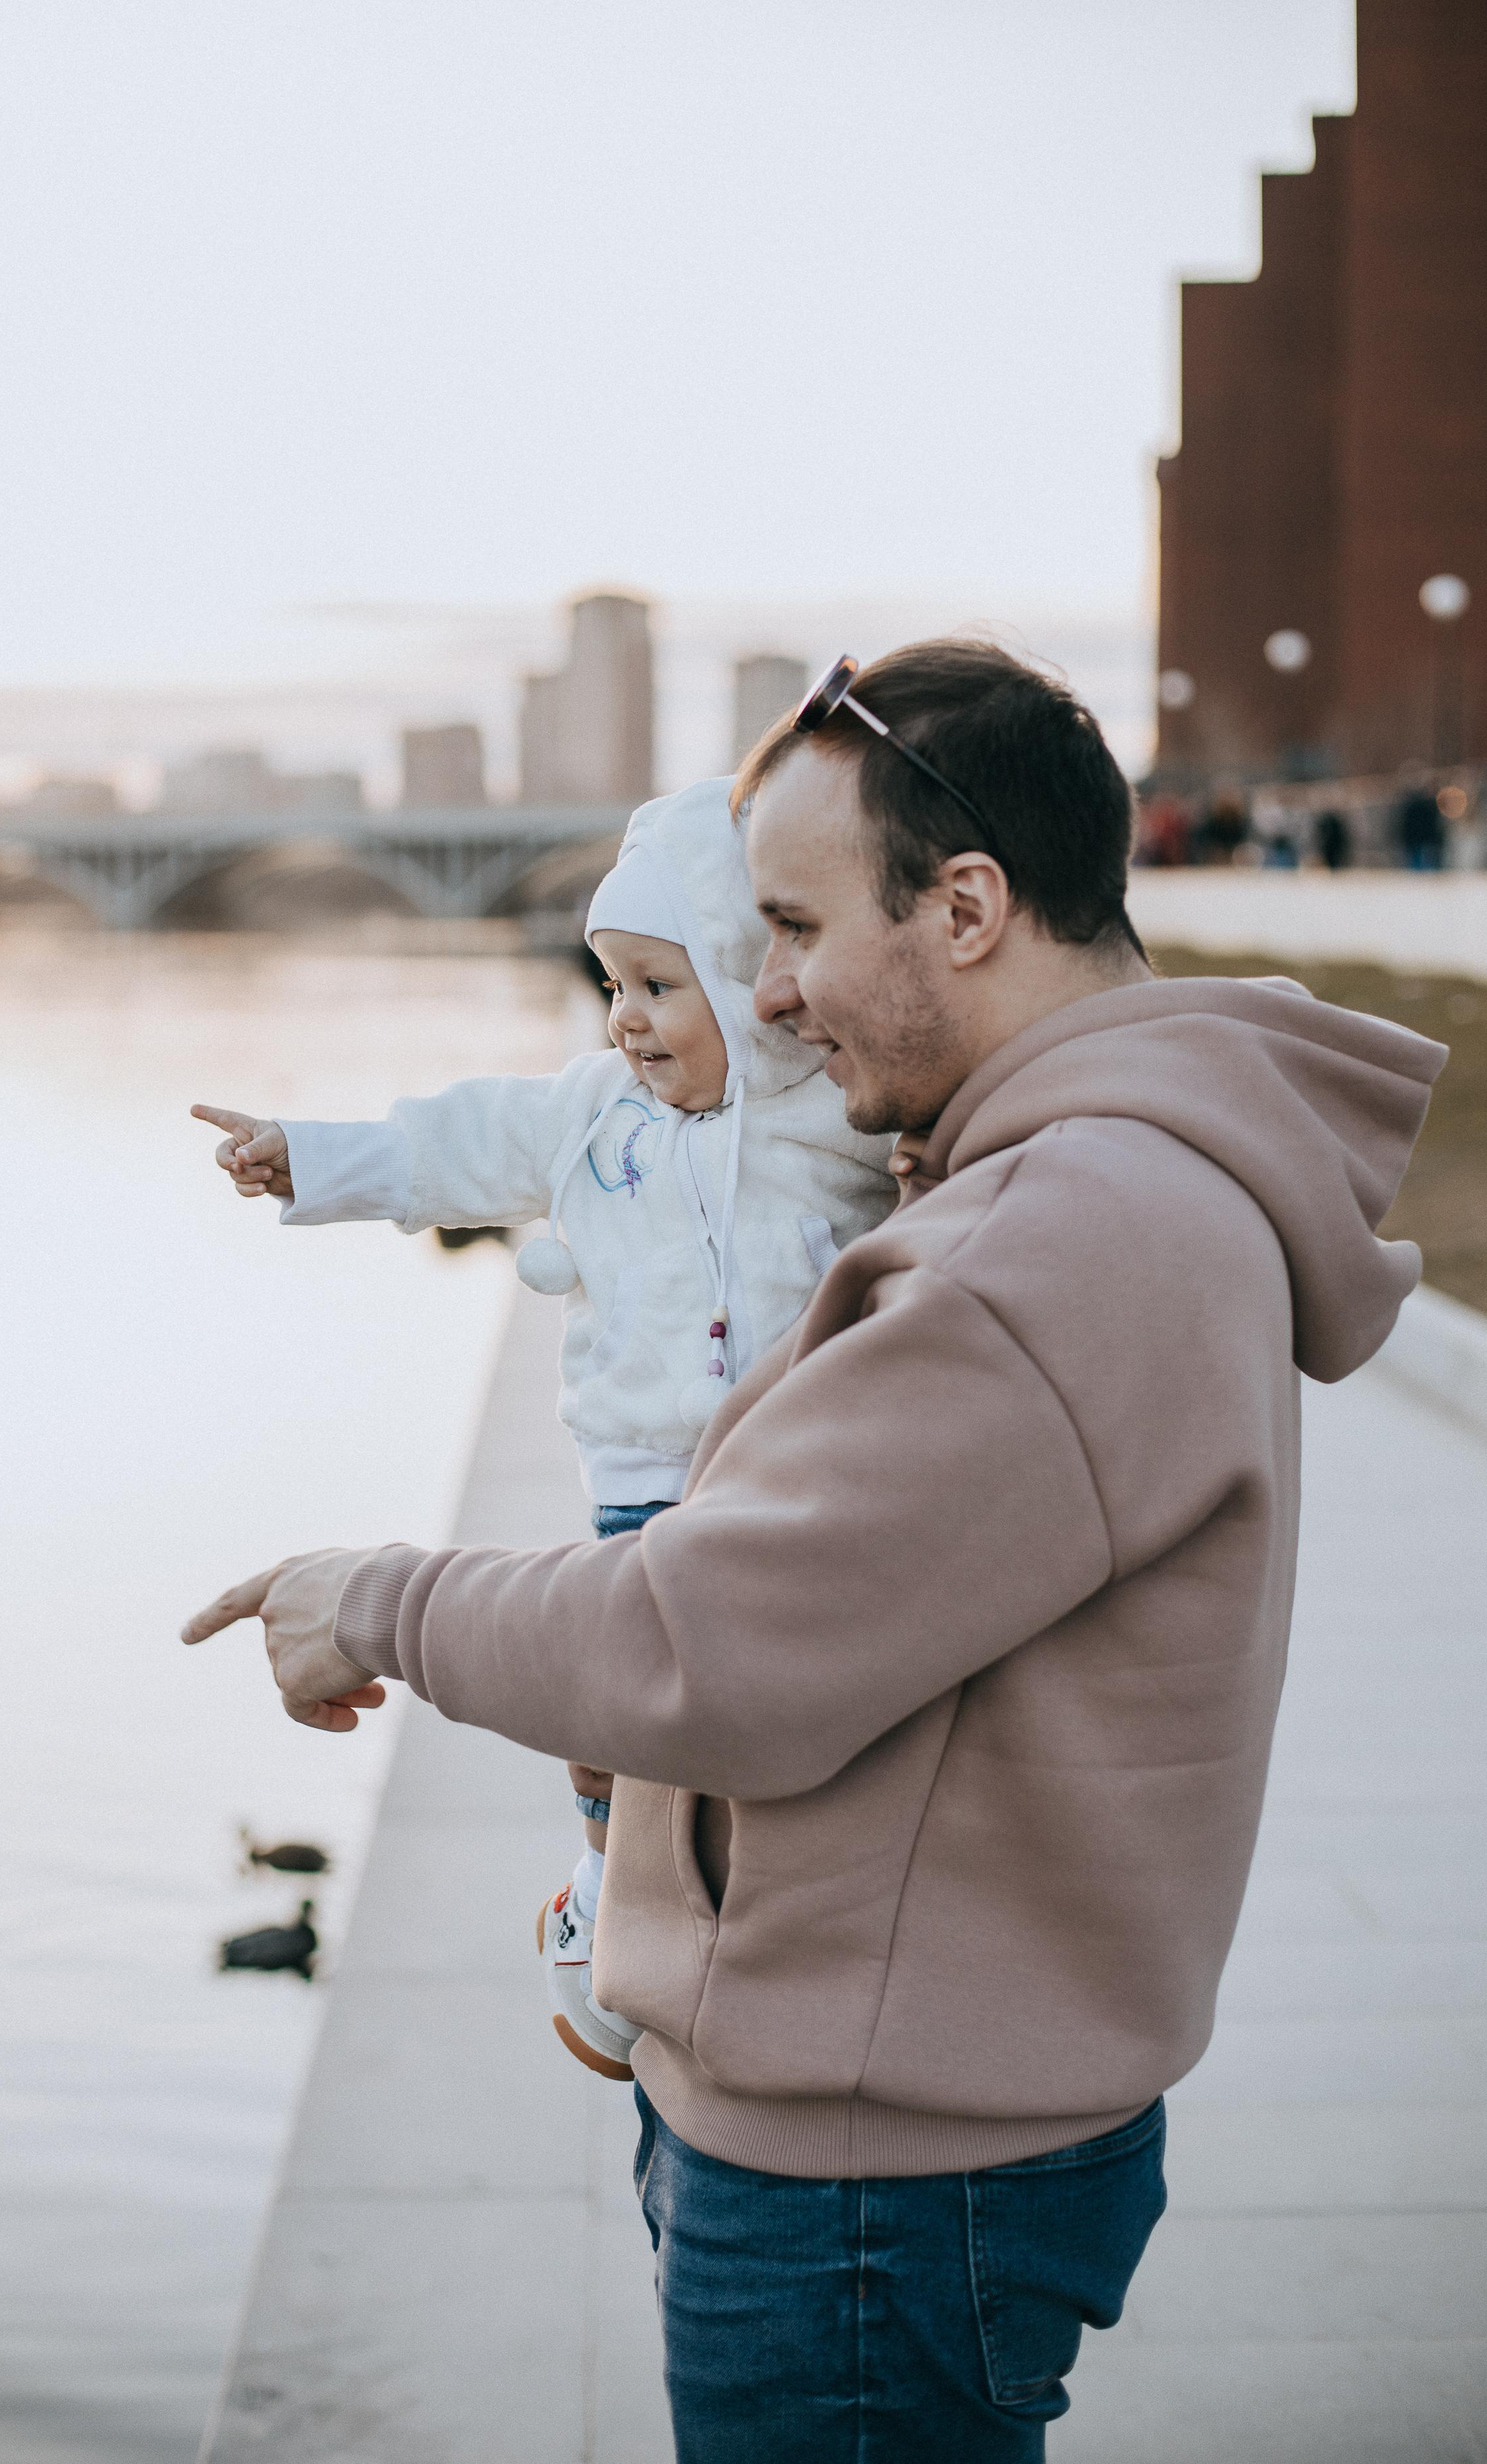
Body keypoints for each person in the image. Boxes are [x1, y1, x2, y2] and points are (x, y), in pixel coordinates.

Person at [185, 640, 1444, 2460]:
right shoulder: (1050, 1186)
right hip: (899, 2112)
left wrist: (371, 1594)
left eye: (789, 927)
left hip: (874, 2180)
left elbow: (711, 1647)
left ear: (963, 906)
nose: (763, 999)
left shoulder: (1064, 1238)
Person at [190, 776, 895, 2082]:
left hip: (785, 1482)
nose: (625, 1020)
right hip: (641, 1475)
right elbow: (454, 1143)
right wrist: (309, 1154)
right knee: (611, 1707)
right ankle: (599, 1888)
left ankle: (707, 1905)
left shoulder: (821, 1116)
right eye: (611, 985)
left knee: (749, 1731)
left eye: (659, 987)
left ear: (750, 981)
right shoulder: (592, 1115)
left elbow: (936, 1163)